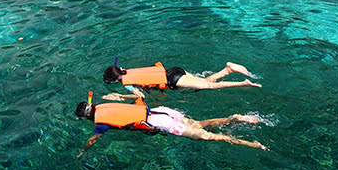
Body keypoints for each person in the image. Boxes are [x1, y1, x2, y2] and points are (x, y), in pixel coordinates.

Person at [74, 95, 268, 156]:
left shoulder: (101, 123)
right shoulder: (105, 105)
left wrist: (83, 149)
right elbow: (137, 99)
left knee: (207, 136)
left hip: (160, 122)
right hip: (162, 111)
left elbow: (93, 139)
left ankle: (253, 144)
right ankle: (233, 119)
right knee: (199, 124)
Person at [101, 61, 260, 99]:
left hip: (173, 79)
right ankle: (228, 70)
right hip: (174, 71)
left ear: (116, 80)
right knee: (202, 83)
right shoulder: (128, 71)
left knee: (207, 86)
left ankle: (242, 82)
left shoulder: (127, 84)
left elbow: (140, 96)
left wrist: (120, 96)